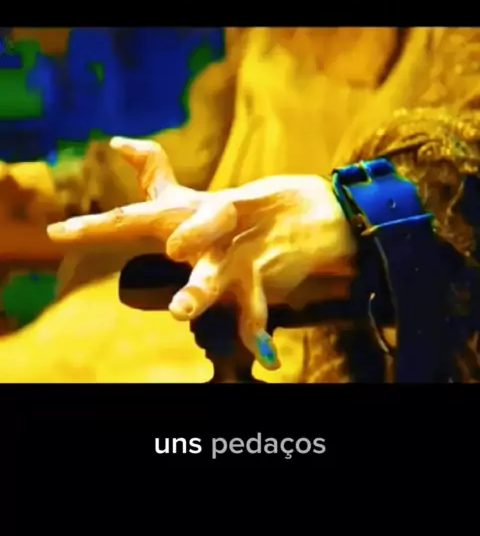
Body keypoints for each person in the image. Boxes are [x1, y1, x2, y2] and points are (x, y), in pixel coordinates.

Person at [1, 27, 480, 382]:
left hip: (330, 320)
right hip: (206, 286)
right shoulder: (263, 36)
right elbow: (199, 155)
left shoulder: (449, 46)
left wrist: (358, 207)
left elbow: (462, 163)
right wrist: (47, 185)